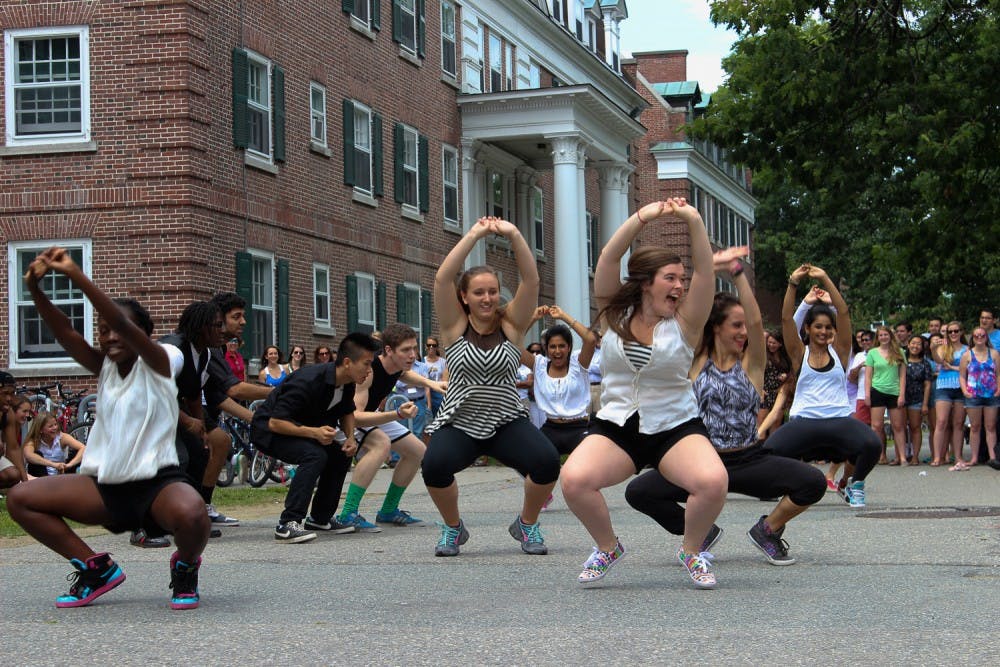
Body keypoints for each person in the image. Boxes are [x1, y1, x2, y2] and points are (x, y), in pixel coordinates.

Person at [7, 246, 209, 609]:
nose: (110, 337)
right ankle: (95, 568)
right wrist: (35, 289)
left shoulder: (165, 361)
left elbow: (124, 325)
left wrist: (76, 275)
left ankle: (186, 565)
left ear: (143, 334)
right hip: (105, 487)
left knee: (194, 514)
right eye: (103, 332)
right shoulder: (106, 370)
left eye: (117, 330)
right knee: (22, 499)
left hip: (158, 486)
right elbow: (65, 332)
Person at [560, 199, 731, 589]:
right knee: (573, 479)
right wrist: (642, 217)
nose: (679, 286)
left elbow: (706, 270)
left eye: (681, 279)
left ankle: (692, 550)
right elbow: (608, 257)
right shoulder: (614, 313)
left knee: (713, 481)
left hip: (674, 425)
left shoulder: (686, 321)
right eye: (670, 278)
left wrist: (692, 218)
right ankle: (607, 547)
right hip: (618, 424)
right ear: (645, 282)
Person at [626, 258, 826, 567]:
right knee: (639, 492)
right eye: (736, 325)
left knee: (813, 482)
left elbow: (758, 323)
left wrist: (738, 277)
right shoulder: (693, 361)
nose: (744, 332)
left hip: (748, 459)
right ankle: (699, 529)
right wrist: (696, 278)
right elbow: (684, 317)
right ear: (716, 326)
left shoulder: (752, 364)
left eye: (744, 325)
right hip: (699, 464)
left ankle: (767, 530)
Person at [422, 216, 560, 557]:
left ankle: (526, 524)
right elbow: (442, 278)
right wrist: (475, 233)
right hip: (461, 422)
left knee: (546, 462)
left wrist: (514, 233)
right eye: (479, 292)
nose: (487, 298)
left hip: (505, 420)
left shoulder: (511, 326)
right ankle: (453, 528)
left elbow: (531, 279)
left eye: (493, 292)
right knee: (434, 466)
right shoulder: (454, 327)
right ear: (464, 297)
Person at [764, 264, 881, 509]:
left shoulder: (840, 352)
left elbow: (844, 312)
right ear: (808, 328)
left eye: (828, 327)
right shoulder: (798, 353)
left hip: (838, 418)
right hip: (805, 419)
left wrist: (826, 279)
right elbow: (786, 318)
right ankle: (788, 485)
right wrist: (793, 284)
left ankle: (852, 484)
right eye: (818, 326)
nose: (824, 331)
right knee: (769, 450)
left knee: (872, 443)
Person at [250, 333, 379, 543]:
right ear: (347, 362)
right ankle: (287, 524)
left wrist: (350, 438)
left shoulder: (347, 381)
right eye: (366, 364)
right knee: (315, 455)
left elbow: (347, 411)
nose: (369, 370)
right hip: (269, 431)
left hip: (301, 429)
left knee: (340, 455)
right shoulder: (308, 379)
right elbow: (275, 422)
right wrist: (314, 433)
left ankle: (320, 518)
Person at [337, 323, 445, 530]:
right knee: (381, 444)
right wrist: (396, 414)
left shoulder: (396, 365)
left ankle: (388, 510)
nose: (413, 355)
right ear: (388, 350)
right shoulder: (368, 372)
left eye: (414, 348)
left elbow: (403, 375)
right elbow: (356, 416)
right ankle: (348, 513)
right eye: (406, 350)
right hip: (346, 417)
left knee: (418, 451)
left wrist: (432, 384)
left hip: (371, 414)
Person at [521, 305, 597, 455]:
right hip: (550, 428)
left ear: (569, 347)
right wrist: (533, 319)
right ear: (547, 349)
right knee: (530, 462)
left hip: (579, 428)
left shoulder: (578, 364)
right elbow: (513, 344)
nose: (557, 351)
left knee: (585, 471)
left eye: (562, 346)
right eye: (552, 347)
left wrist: (563, 316)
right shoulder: (540, 365)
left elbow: (590, 339)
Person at [957, 327, 1000, 469]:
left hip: (991, 394)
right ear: (973, 338)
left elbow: (998, 374)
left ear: (986, 337)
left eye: (982, 335)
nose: (979, 338)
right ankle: (974, 457)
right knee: (975, 427)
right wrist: (964, 391)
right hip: (973, 395)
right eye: (976, 336)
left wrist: (999, 389)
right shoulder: (967, 355)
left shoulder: (994, 354)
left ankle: (993, 457)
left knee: (991, 426)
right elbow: (962, 375)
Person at [865, 325, 907, 465]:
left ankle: (902, 456)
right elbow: (868, 376)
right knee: (877, 426)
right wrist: (867, 395)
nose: (883, 337)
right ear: (878, 338)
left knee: (898, 426)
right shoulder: (872, 353)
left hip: (894, 392)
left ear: (890, 336)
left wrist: (901, 394)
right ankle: (880, 455)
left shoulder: (899, 352)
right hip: (877, 390)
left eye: (886, 335)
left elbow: (902, 376)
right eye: (881, 335)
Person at [930, 322, 967, 466]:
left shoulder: (967, 350)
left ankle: (957, 456)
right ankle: (938, 457)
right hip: (944, 386)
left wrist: (952, 367)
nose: (953, 334)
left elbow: (968, 367)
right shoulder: (943, 348)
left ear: (961, 332)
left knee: (958, 423)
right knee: (941, 422)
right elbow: (939, 360)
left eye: (956, 331)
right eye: (950, 332)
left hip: (961, 387)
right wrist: (933, 349)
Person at [22, 412, 85, 477]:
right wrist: (53, 465)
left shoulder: (62, 437)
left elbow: (83, 448)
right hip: (41, 476)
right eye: (50, 426)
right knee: (37, 454)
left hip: (60, 474)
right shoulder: (33, 440)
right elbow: (29, 455)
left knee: (77, 452)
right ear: (41, 429)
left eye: (55, 424)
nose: (55, 428)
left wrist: (69, 465)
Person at [903, 334, 933, 465]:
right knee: (900, 428)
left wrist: (925, 404)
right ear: (908, 345)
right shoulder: (901, 360)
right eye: (913, 343)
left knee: (915, 427)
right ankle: (902, 455)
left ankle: (915, 456)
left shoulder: (925, 363)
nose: (915, 346)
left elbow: (927, 385)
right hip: (900, 398)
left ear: (922, 347)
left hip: (917, 399)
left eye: (918, 344)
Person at [759, 329, 791, 438]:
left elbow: (791, 372)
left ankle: (772, 449)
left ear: (780, 344)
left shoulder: (785, 358)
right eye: (769, 342)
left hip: (780, 394)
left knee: (776, 423)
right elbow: (755, 372)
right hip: (765, 392)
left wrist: (786, 376)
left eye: (774, 343)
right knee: (761, 422)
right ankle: (759, 448)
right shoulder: (763, 354)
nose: (771, 345)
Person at [1, 389, 31, 489]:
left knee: (15, 475)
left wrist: (25, 482)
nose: (27, 415)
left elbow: (14, 450)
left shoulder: (17, 426)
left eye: (29, 412)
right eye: (24, 411)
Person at [422, 336, 447, 420]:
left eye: (434, 345)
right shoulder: (422, 361)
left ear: (437, 347)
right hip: (425, 393)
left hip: (438, 394)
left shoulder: (442, 362)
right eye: (429, 345)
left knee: (439, 418)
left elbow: (445, 380)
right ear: (426, 346)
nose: (431, 347)